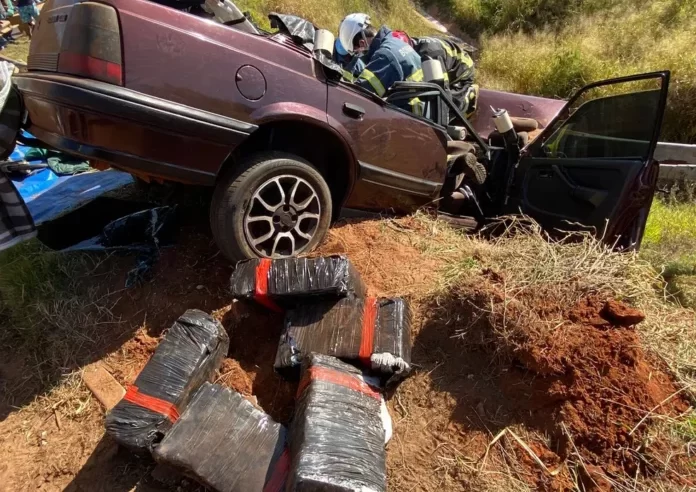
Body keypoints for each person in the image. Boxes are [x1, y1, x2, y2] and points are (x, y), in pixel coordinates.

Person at [337, 13, 424, 114]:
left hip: (411, 117)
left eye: (357, 52)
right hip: (419, 111)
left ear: (362, 43)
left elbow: (360, 95)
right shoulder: (393, 40)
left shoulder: (385, 56)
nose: (359, 56)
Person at [411, 36, 478, 118]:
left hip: (463, 71)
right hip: (447, 64)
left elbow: (442, 89)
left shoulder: (431, 55)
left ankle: (468, 98)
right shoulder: (412, 45)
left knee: (446, 107)